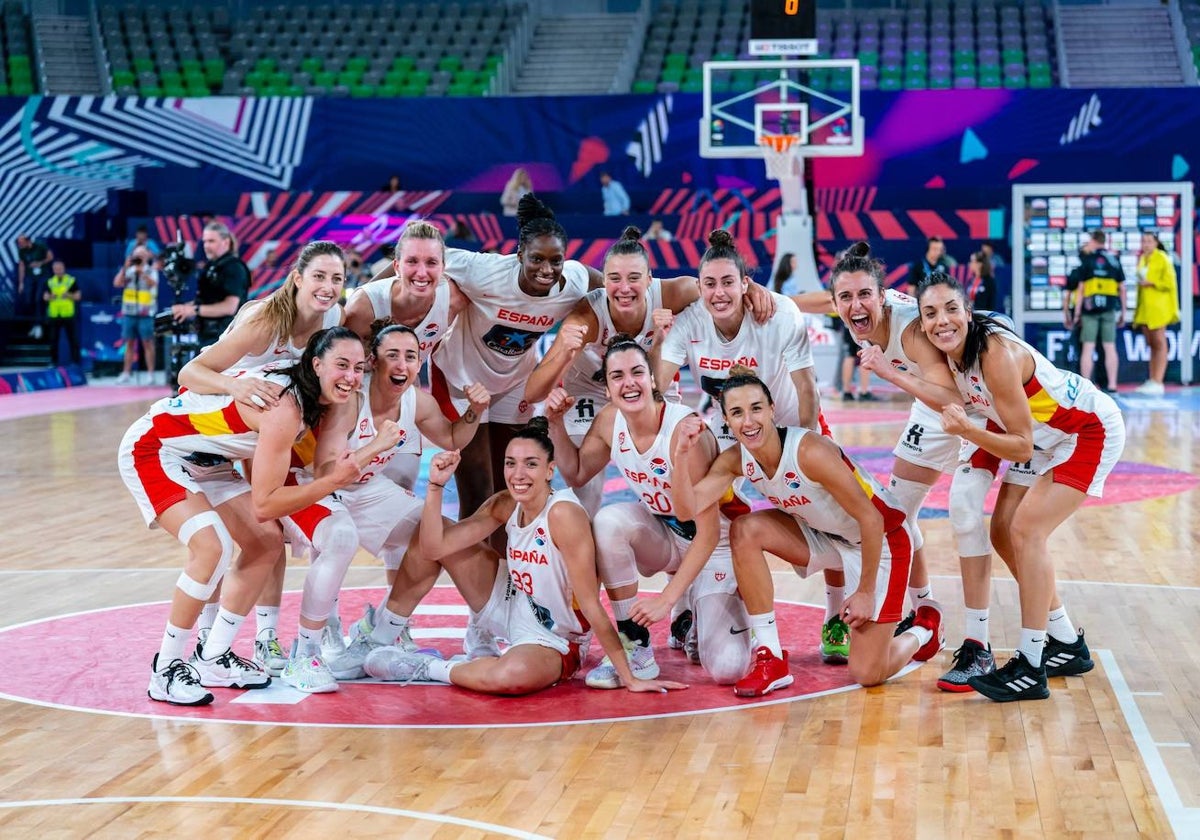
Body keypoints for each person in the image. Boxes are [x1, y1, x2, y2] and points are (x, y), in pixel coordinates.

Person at [802, 242, 1033, 691]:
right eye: (843, 298)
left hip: (974, 405)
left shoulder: (908, 331)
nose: (853, 305)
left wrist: (889, 375)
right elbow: (818, 300)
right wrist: (771, 300)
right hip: (933, 406)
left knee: (965, 512)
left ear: (883, 295)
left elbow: (952, 398)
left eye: (864, 295)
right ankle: (927, 612)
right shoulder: (851, 306)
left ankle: (979, 645)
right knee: (897, 511)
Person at [896, 271, 1125, 701]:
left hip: (1085, 431)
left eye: (950, 309)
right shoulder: (946, 354)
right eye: (930, 313)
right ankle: (1065, 643)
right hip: (1041, 435)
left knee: (1026, 530)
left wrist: (967, 429)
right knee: (1003, 531)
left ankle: (1030, 664)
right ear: (921, 322)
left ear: (968, 311)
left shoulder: (994, 356)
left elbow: (1019, 447)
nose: (941, 320)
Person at [118, 327, 366, 706]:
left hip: (209, 460)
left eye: (359, 368)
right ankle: (165, 669)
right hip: (156, 448)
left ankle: (213, 656)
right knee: (211, 547)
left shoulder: (304, 383)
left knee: (265, 543)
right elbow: (266, 504)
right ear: (316, 364)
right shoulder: (285, 407)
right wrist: (334, 480)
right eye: (342, 365)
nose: (350, 376)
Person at [364, 420, 688, 696]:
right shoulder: (506, 502)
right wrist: (435, 487)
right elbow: (434, 548)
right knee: (428, 534)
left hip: (554, 636)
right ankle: (381, 635)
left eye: (530, 464)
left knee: (510, 677)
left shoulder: (563, 515)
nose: (518, 474)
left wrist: (629, 678)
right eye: (510, 463)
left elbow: (591, 606)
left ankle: (428, 667)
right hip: (509, 600)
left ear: (550, 470)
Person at [670, 367, 939, 696]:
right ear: (725, 419)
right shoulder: (735, 460)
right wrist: (682, 454)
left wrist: (866, 592)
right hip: (828, 537)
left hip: (881, 540)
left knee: (868, 673)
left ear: (771, 409)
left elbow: (871, 519)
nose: (749, 421)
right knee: (745, 529)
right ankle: (770, 656)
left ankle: (925, 625)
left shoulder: (810, 451)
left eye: (756, 408)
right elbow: (685, 510)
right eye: (737, 413)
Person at [654, 230, 848, 665]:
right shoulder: (690, 322)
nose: (719, 293)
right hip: (733, 427)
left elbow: (806, 389)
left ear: (746, 284)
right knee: (702, 503)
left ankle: (835, 616)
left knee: (829, 515)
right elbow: (658, 382)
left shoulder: (779, 315)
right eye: (710, 284)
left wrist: (799, 447)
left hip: (788, 424)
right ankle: (697, 607)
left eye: (728, 282)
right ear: (699, 287)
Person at [176, 240, 346, 673]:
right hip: (213, 423)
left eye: (337, 279)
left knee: (268, 534)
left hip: (265, 424)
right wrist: (235, 386)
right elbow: (190, 373)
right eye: (319, 277)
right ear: (297, 279)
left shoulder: (334, 319)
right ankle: (209, 640)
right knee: (248, 532)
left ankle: (264, 637)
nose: (328, 287)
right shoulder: (265, 320)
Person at [545, 338, 754, 687]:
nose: (629, 383)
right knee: (608, 523)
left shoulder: (683, 431)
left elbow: (709, 533)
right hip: (667, 533)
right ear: (608, 388)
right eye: (617, 376)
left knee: (728, 669)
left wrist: (663, 600)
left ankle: (690, 607)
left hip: (714, 546)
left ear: (653, 380)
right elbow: (578, 472)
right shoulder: (610, 420)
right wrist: (555, 423)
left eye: (637, 372)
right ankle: (634, 646)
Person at [318, 321, 500, 681]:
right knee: (334, 543)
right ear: (372, 362)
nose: (402, 365)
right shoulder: (352, 399)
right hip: (322, 490)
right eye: (392, 356)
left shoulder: (416, 400)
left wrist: (474, 412)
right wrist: (375, 447)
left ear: (420, 364)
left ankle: (379, 633)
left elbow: (451, 438)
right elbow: (324, 472)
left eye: (410, 357)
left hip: (365, 489)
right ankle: (318, 633)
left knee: (436, 535)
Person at [429, 193, 599, 553]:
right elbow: (414, 259)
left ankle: (512, 577)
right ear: (519, 254)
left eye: (556, 260)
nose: (547, 269)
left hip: (514, 386)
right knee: (476, 491)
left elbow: (614, 285)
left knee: (513, 487)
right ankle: (482, 599)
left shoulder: (574, 281)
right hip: (461, 381)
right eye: (537, 258)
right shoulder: (485, 270)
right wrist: (369, 300)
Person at [522, 226, 706, 515]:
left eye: (634, 278)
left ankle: (675, 531)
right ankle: (585, 541)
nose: (624, 288)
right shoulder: (586, 317)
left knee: (674, 454)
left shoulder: (675, 292)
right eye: (614, 279)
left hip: (648, 380)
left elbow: (726, 288)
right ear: (603, 280)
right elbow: (533, 391)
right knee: (586, 482)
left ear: (649, 279)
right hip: (589, 387)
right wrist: (564, 355)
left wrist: (754, 290)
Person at [344, 220, 468, 374]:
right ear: (396, 267)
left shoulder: (455, 301)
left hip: (407, 391)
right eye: (412, 261)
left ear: (443, 267)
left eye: (431, 262)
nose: (422, 273)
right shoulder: (362, 308)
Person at [171, 221, 252, 348]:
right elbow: (208, 300)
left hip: (226, 337)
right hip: (207, 336)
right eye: (205, 241)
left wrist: (194, 310)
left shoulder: (234, 267)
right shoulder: (210, 267)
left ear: (225, 242)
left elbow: (230, 307)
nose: (206, 245)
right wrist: (184, 308)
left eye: (211, 241)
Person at [1068, 230, 1125, 394]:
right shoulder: (1114, 260)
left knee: (1088, 347)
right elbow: (1122, 288)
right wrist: (1123, 311)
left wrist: (1077, 313)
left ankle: (1086, 387)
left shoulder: (1088, 260)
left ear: (1093, 240)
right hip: (1109, 310)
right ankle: (1113, 385)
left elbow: (1081, 289)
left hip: (1089, 311)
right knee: (1110, 347)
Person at [1132, 230, 1179, 395]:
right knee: (1151, 344)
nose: (1146, 244)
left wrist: (1152, 283)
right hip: (1145, 307)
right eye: (1143, 241)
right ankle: (1152, 380)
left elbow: (1170, 282)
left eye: (1149, 241)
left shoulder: (1162, 257)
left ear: (1156, 243)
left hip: (1159, 307)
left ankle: (1159, 381)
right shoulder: (1142, 259)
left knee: (1159, 343)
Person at [114, 246, 159, 383]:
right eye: (136, 255)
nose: (139, 257)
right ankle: (126, 373)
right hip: (129, 312)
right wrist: (124, 268)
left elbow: (154, 284)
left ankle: (151, 374)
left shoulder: (151, 271)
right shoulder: (128, 271)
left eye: (141, 255)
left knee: (148, 343)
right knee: (129, 343)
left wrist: (143, 273)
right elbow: (117, 283)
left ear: (147, 257)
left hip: (146, 312)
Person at [43, 260, 81, 366]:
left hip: (68, 315)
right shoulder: (50, 282)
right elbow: (45, 297)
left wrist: (68, 295)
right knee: (53, 340)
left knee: (73, 340)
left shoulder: (71, 281)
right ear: (53, 270)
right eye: (56, 269)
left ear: (63, 268)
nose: (58, 271)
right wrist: (51, 297)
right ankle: (53, 362)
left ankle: (75, 362)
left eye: (60, 269)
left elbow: (78, 296)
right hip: (54, 315)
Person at [16, 234, 54, 337]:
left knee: (38, 298)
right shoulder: (21, 251)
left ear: (27, 241)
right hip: (30, 277)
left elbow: (50, 257)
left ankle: (39, 325)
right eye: (18, 243)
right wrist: (21, 283)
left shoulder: (40, 246)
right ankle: (34, 324)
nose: (19, 244)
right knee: (28, 300)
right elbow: (21, 266)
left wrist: (40, 263)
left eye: (21, 242)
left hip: (42, 276)